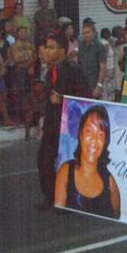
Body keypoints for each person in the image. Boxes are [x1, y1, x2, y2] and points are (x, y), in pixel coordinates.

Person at [36, 30, 89, 211]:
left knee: (67, 164)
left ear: (62, 50)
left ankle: (67, 201)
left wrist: (64, 99)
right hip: (52, 124)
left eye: (52, 48)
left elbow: (85, 98)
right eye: (46, 48)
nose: (47, 51)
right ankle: (50, 197)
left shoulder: (74, 70)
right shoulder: (51, 71)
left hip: (69, 126)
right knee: (44, 159)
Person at [55, 105, 121, 219]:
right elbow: (59, 219)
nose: (94, 140)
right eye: (89, 131)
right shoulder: (65, 172)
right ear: (80, 135)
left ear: (106, 142)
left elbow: (115, 217)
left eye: (100, 135)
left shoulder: (110, 183)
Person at [78, 19, 107, 99]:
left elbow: (103, 68)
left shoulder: (100, 47)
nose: (86, 35)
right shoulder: (81, 45)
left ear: (93, 32)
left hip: (94, 82)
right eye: (84, 33)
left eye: (88, 32)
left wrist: (99, 86)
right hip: (82, 82)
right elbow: (80, 63)